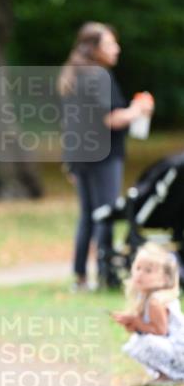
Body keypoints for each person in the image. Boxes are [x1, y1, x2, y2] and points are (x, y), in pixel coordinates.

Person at [57, 22, 153, 289]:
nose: (117, 48)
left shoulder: (73, 75)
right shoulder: (98, 76)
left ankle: (80, 276)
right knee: (106, 214)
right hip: (103, 156)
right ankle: (105, 274)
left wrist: (70, 160)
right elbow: (110, 119)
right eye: (110, 43)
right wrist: (138, 109)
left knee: (88, 215)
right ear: (94, 48)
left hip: (80, 156)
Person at [111, 243, 184, 382]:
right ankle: (165, 374)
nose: (140, 274)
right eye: (137, 268)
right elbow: (147, 328)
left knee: (143, 342)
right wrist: (132, 324)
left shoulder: (155, 301)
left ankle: (169, 375)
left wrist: (137, 322)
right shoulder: (144, 297)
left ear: (165, 279)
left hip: (180, 350)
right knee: (137, 340)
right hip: (173, 349)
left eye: (148, 271)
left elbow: (160, 331)